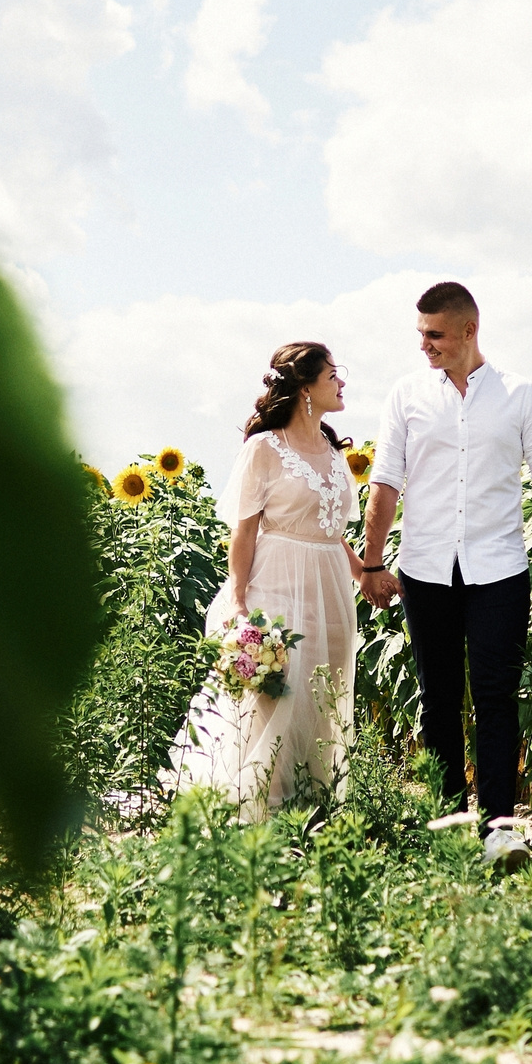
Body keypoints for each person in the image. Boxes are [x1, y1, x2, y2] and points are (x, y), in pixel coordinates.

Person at [357, 282, 532, 828]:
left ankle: (499, 829)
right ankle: (446, 825)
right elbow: (385, 480)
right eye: (421, 333)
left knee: (498, 699)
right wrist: (372, 563)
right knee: (438, 700)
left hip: (499, 569)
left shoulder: (519, 395)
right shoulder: (406, 395)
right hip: (425, 569)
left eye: (435, 334)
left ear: (469, 331)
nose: (424, 345)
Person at [168, 342, 365, 813]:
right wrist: (238, 599)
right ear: (305, 389)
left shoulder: (333, 450)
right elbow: (244, 529)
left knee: (321, 696)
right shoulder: (265, 448)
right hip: (277, 582)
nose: (341, 382)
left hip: (330, 590)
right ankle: (261, 807)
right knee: (275, 695)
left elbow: (329, 528)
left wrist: (365, 572)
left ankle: (313, 807)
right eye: (332, 374)